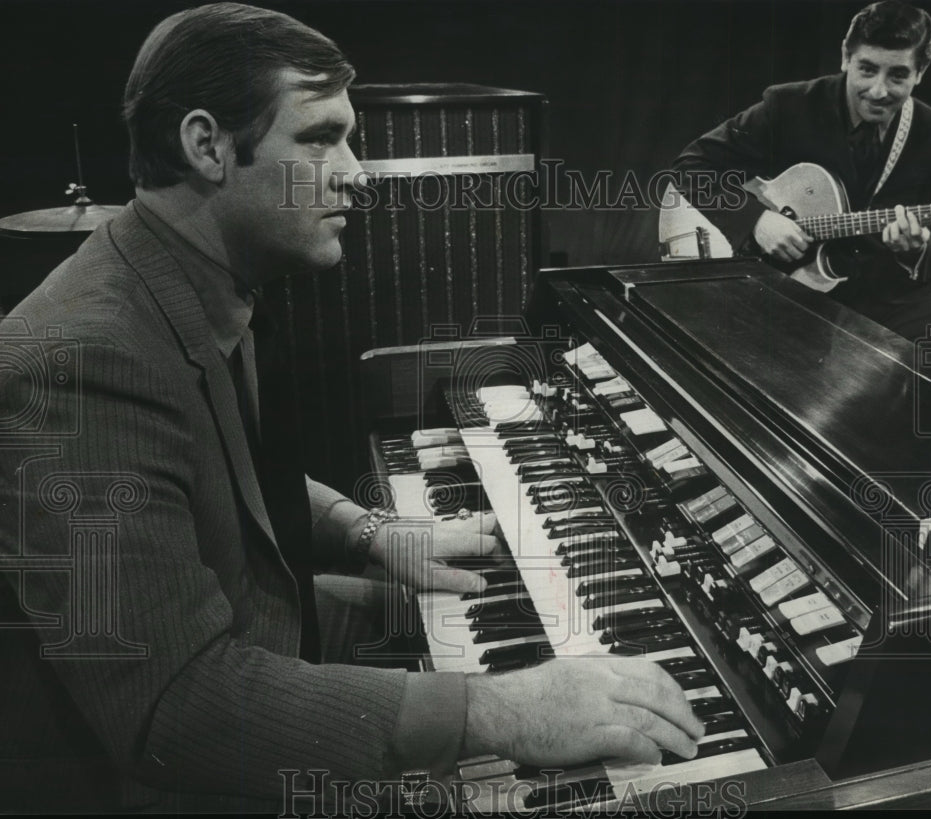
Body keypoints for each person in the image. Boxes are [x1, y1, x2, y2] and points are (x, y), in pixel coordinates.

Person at [0, 3, 702, 812]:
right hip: (162, 776)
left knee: (471, 624)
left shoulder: (194, 285)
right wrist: (503, 709)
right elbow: (174, 706)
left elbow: (216, 484)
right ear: (208, 145)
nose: (357, 172)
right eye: (320, 137)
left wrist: (372, 532)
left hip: (267, 632)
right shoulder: (80, 364)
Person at [671, 0, 931, 342]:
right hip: (780, 286)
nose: (878, 91)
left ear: (920, 72)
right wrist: (757, 221)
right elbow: (691, 168)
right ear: (846, 58)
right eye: (866, 69)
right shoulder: (790, 105)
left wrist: (914, 248)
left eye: (898, 75)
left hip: (880, 294)